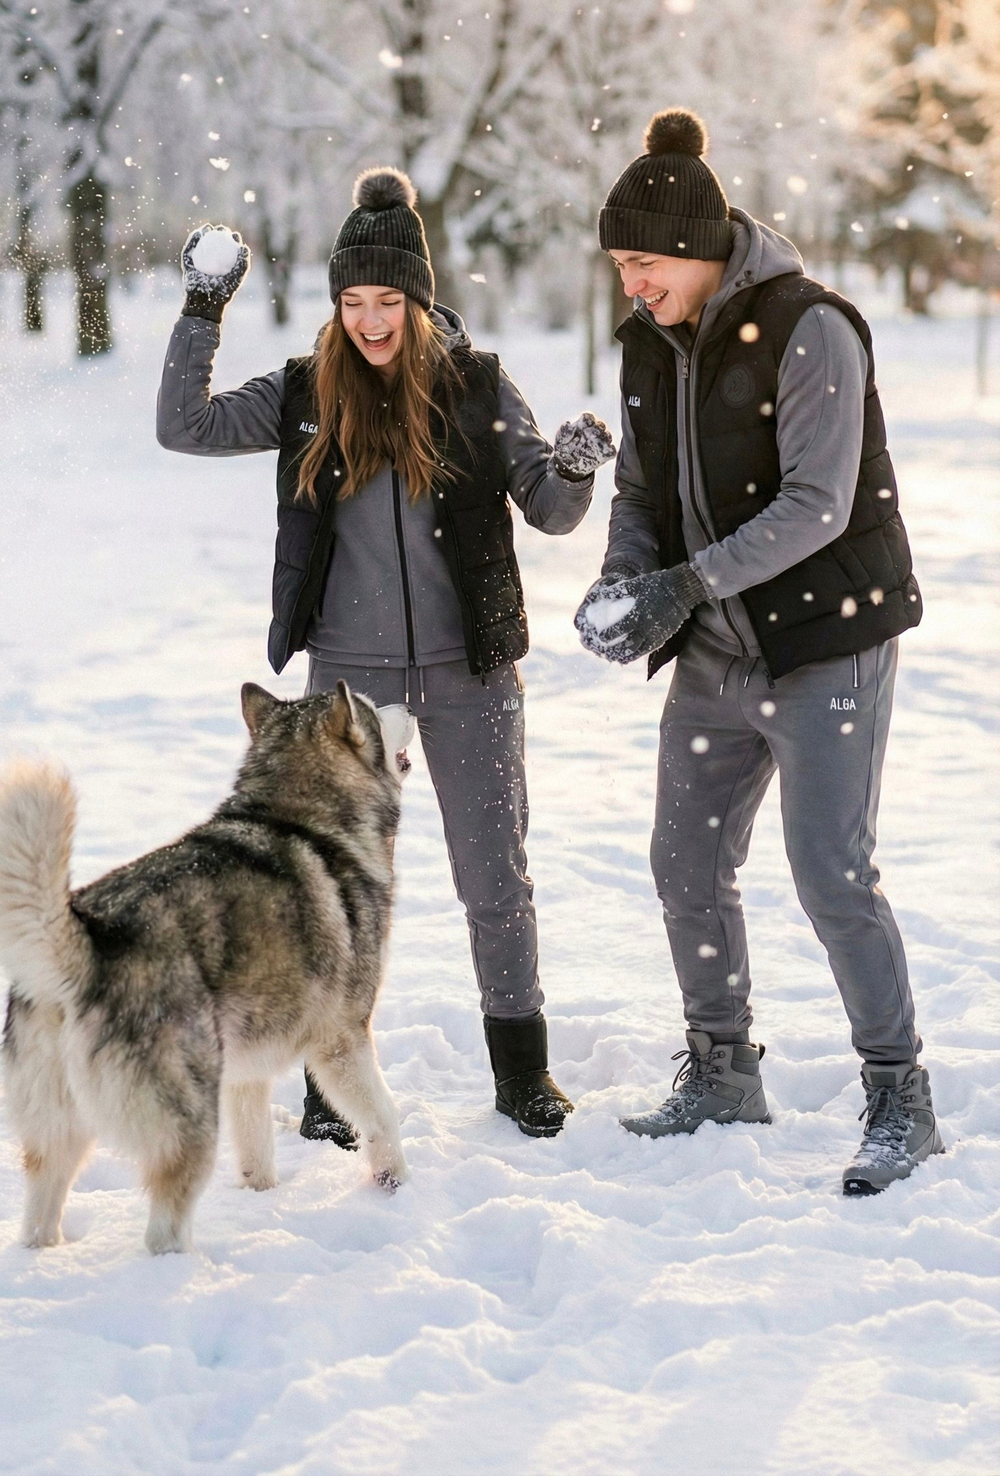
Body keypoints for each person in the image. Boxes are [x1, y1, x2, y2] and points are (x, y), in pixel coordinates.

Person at [157, 168, 614, 1141]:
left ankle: (521, 1072)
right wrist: (204, 307)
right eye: (353, 301)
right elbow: (182, 426)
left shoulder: (478, 385)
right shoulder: (302, 393)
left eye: (388, 300)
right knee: (331, 882)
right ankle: (328, 1086)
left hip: (468, 673)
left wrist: (572, 464)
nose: (370, 319)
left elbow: (551, 508)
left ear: (418, 297)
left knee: (493, 873)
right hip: (347, 691)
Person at [575, 108, 943, 1195]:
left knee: (832, 876)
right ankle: (724, 1069)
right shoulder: (649, 342)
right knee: (683, 862)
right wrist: (624, 579)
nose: (630, 286)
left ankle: (899, 1096)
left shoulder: (809, 325)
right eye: (619, 267)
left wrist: (684, 584)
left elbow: (818, 505)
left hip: (827, 643)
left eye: (642, 264)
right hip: (715, 658)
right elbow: (642, 489)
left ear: (695, 248)